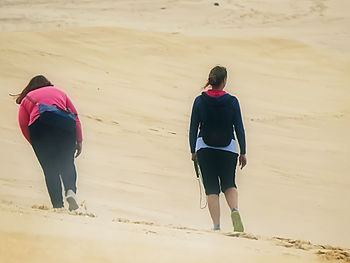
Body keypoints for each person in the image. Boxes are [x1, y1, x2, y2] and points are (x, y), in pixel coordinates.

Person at [189, 66, 247, 232]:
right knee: (229, 184)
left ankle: (216, 226)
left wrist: (193, 150)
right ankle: (234, 210)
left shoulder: (200, 101)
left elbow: (193, 127)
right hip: (228, 149)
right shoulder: (232, 101)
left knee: (212, 188)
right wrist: (243, 152)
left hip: (205, 149)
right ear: (224, 81)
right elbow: (239, 128)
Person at [16, 75, 83, 211]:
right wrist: (79, 140)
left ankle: (58, 205)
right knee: (67, 162)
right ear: (47, 83)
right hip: (64, 126)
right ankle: (71, 191)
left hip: (40, 128)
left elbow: (23, 125)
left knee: (50, 169)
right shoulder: (60, 92)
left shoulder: (27, 98)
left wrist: (34, 143)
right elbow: (75, 117)